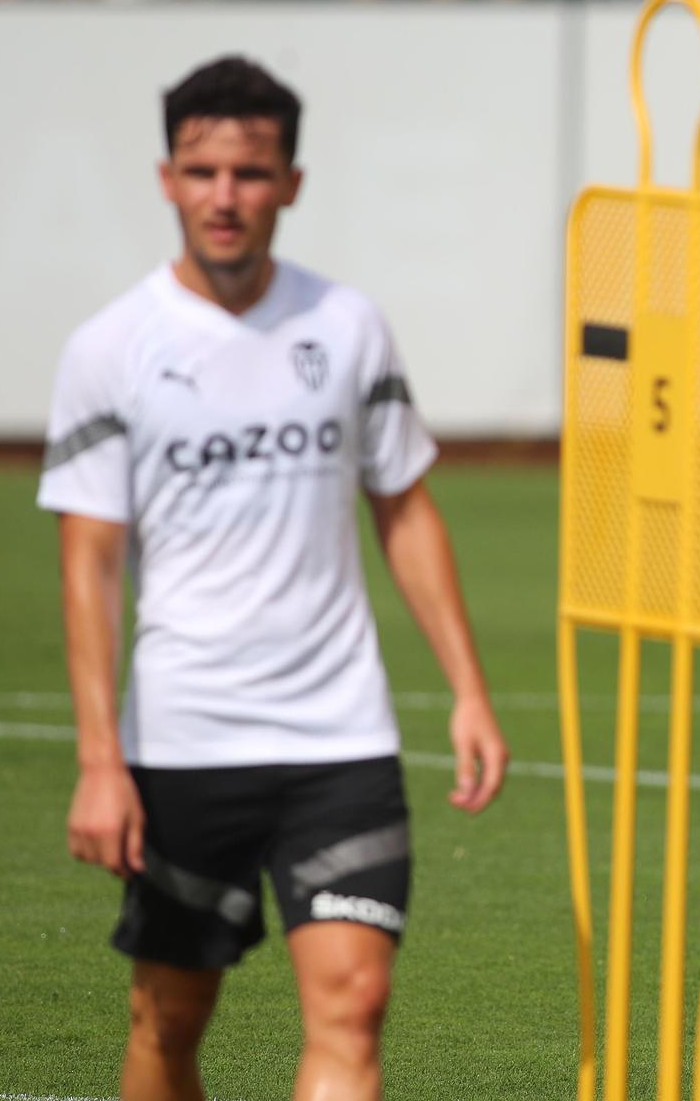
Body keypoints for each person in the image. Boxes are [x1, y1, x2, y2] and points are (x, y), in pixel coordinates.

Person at [40, 56, 509, 1097]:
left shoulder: (345, 325)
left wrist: (469, 690)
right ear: (167, 177)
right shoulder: (110, 347)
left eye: (249, 173)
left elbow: (404, 506)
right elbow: (90, 562)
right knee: (167, 1021)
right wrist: (98, 757)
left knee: (353, 1003)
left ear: (289, 183)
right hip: (184, 738)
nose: (224, 196)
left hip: (339, 737)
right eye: (202, 170)